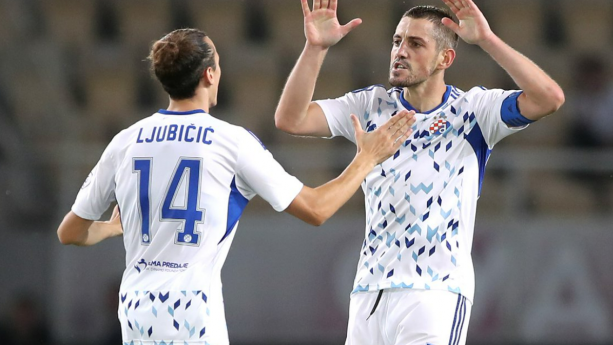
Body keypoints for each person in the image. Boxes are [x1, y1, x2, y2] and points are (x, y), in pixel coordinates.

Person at [57, 28, 415, 345]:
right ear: (210, 74)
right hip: (192, 309)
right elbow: (316, 209)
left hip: (135, 309)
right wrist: (367, 158)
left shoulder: (125, 141)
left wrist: (110, 229)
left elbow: (69, 232)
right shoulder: (230, 142)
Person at [274, 0, 565, 345]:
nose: (399, 52)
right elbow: (291, 119)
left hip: (436, 292)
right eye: (397, 41)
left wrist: (487, 40)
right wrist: (315, 49)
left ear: (445, 59)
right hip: (369, 291)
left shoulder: (475, 111)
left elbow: (549, 98)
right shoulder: (370, 106)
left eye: (415, 44)